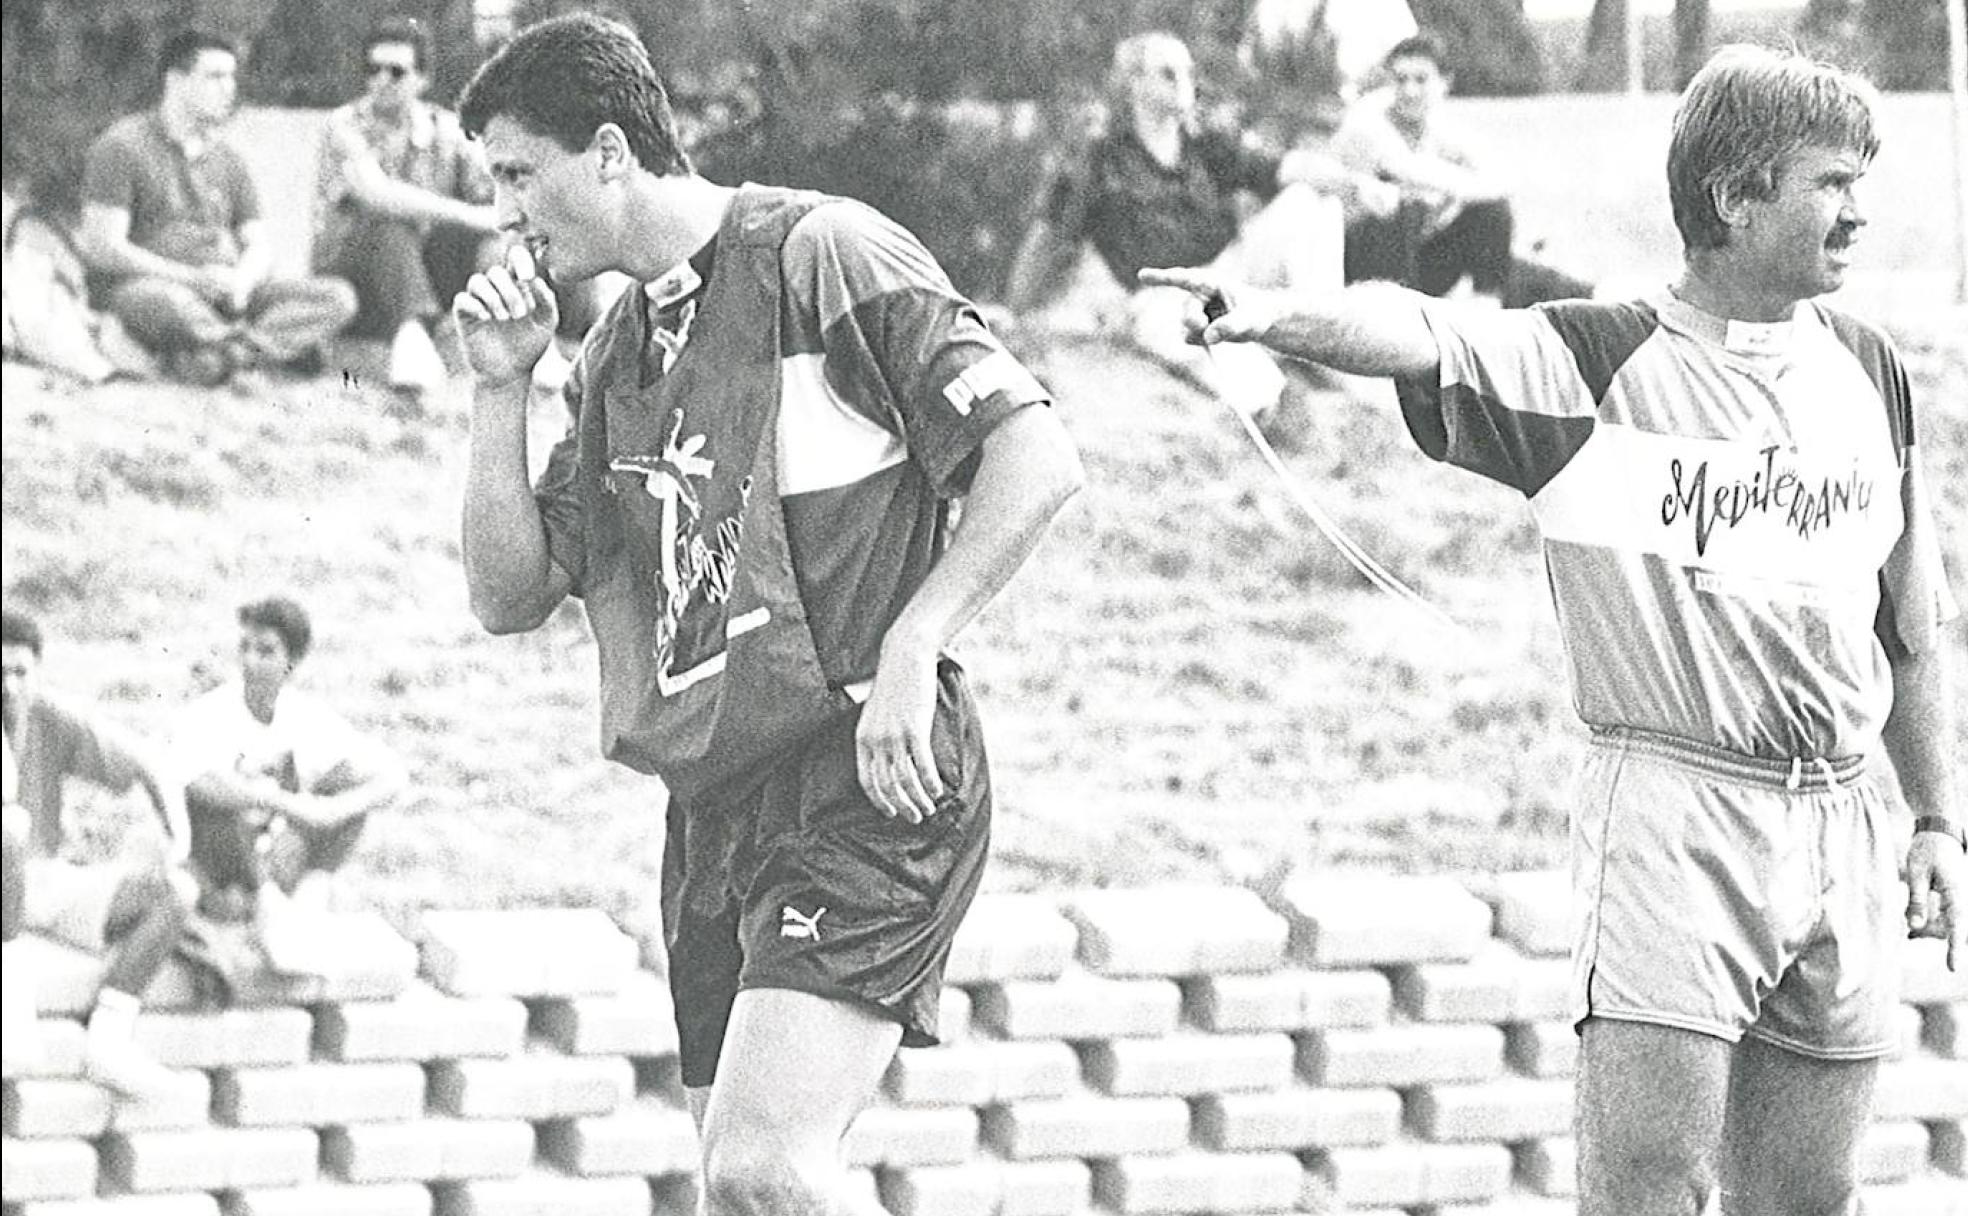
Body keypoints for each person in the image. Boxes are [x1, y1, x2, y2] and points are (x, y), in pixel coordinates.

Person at [1142, 44, 1962, 1216]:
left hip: (1844, 819)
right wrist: (1271, 315)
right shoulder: (1594, 357)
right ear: (1737, 196)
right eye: (1831, 183)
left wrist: (1937, 819)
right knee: (1651, 1188)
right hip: (1678, 816)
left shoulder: (1874, 372)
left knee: (1809, 1196)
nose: (1859, 212)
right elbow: (1414, 328)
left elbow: (1914, 632)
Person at [450, 15, 1083, 1213]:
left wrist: (915, 639)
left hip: (868, 770)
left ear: (606, 152)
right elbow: (507, 593)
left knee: (764, 1168)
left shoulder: (822, 252)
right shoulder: (618, 350)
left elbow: (1035, 455)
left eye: (516, 174)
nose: (505, 214)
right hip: (718, 805)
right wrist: (501, 388)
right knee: (741, 1190)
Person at [1001, 30, 1372, 418]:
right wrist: (1015, 312)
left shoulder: (1205, 143)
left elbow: (1285, 167)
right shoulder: (1100, 157)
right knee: (1243, 379)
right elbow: (1049, 233)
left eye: (1187, 71)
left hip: (1231, 269)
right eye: (1167, 73)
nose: (1184, 82)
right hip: (1164, 293)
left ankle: (1323, 341)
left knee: (1309, 202)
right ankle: (1268, 397)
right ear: (1134, 84)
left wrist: (1353, 183)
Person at [78, 30, 357, 386]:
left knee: (337, 297)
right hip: (153, 287)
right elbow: (103, 248)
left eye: (231, 77)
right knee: (168, 304)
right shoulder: (122, 146)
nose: (229, 89)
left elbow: (258, 244)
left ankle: (227, 354)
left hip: (225, 292)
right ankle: (258, 348)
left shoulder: (228, 160)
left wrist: (242, 280)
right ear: (176, 81)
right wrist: (192, 278)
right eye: (215, 77)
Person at [1, 609, 193, 1097]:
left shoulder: (48, 717)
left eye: (19, 672)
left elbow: (149, 763)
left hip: (40, 882)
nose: (8, 686)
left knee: (173, 892)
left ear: (37, 671)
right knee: (10, 826)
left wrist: (178, 837)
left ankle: (108, 1039)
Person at [174, 596, 404, 973]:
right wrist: (280, 800)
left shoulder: (305, 715)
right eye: (245, 648)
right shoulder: (211, 712)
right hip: (221, 859)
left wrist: (331, 811)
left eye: (265, 652)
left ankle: (307, 904)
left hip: (277, 853)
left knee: (346, 799)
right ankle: (268, 910)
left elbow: (392, 777)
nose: (250, 661)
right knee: (216, 806)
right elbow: (198, 785)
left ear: (291, 662)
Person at [313, 17, 501, 402]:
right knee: (391, 225)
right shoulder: (344, 125)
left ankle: (496, 328)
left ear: (422, 79)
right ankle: (412, 336)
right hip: (353, 269)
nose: (381, 80)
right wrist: (467, 214)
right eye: (372, 69)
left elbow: (493, 195)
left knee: (491, 242)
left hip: (424, 269)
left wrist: (489, 219)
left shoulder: (445, 130)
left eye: (396, 72)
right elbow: (376, 193)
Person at [1331, 33, 1591, 307]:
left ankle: (1490, 304)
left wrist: (1459, 198)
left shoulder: (1437, 125)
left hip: (1420, 256)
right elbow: (1410, 169)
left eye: (1421, 79)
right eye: (1400, 79)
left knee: (1494, 219)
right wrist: (1459, 192)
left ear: (1444, 83)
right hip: (1361, 259)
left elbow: (1503, 177)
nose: (1409, 91)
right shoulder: (1367, 121)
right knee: (1400, 211)